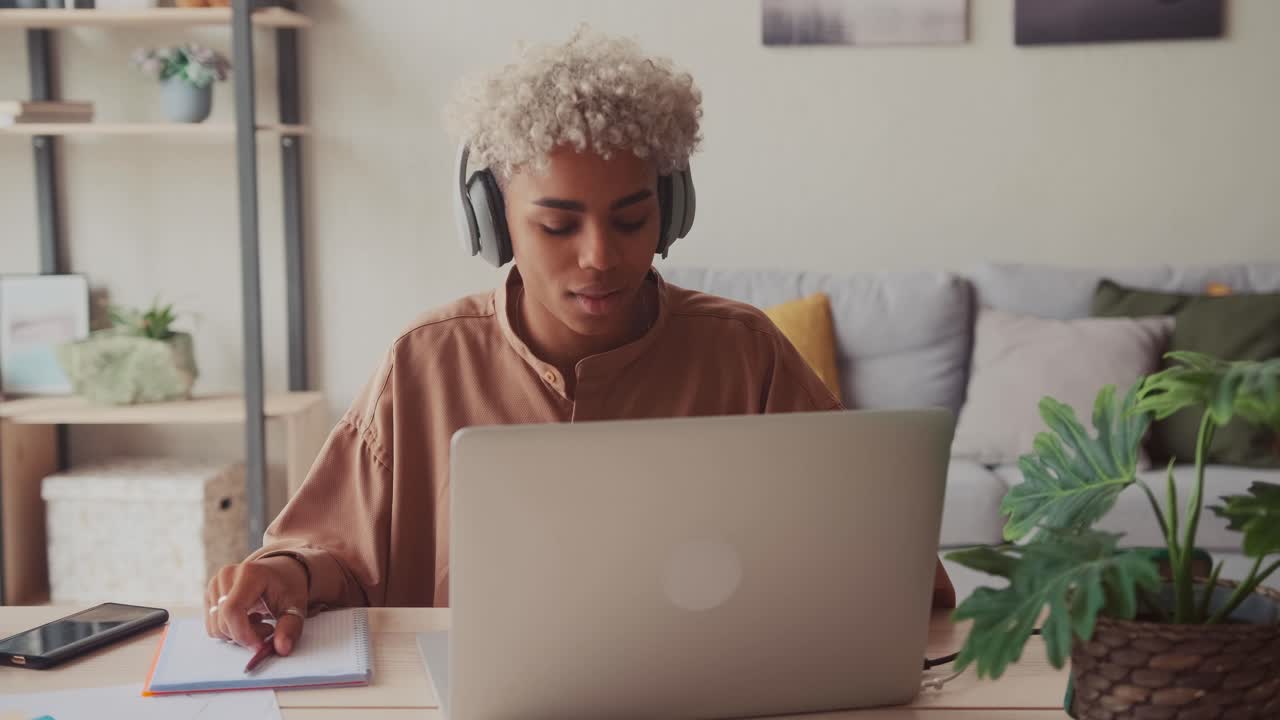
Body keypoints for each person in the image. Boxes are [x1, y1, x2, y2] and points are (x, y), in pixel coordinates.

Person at [205, 26, 955, 656]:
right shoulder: (423, 361)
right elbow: (330, 553)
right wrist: (289, 577)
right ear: (493, 220)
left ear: (671, 210)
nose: (599, 256)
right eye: (557, 225)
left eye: (630, 220)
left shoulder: (745, 353)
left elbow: (887, 564)